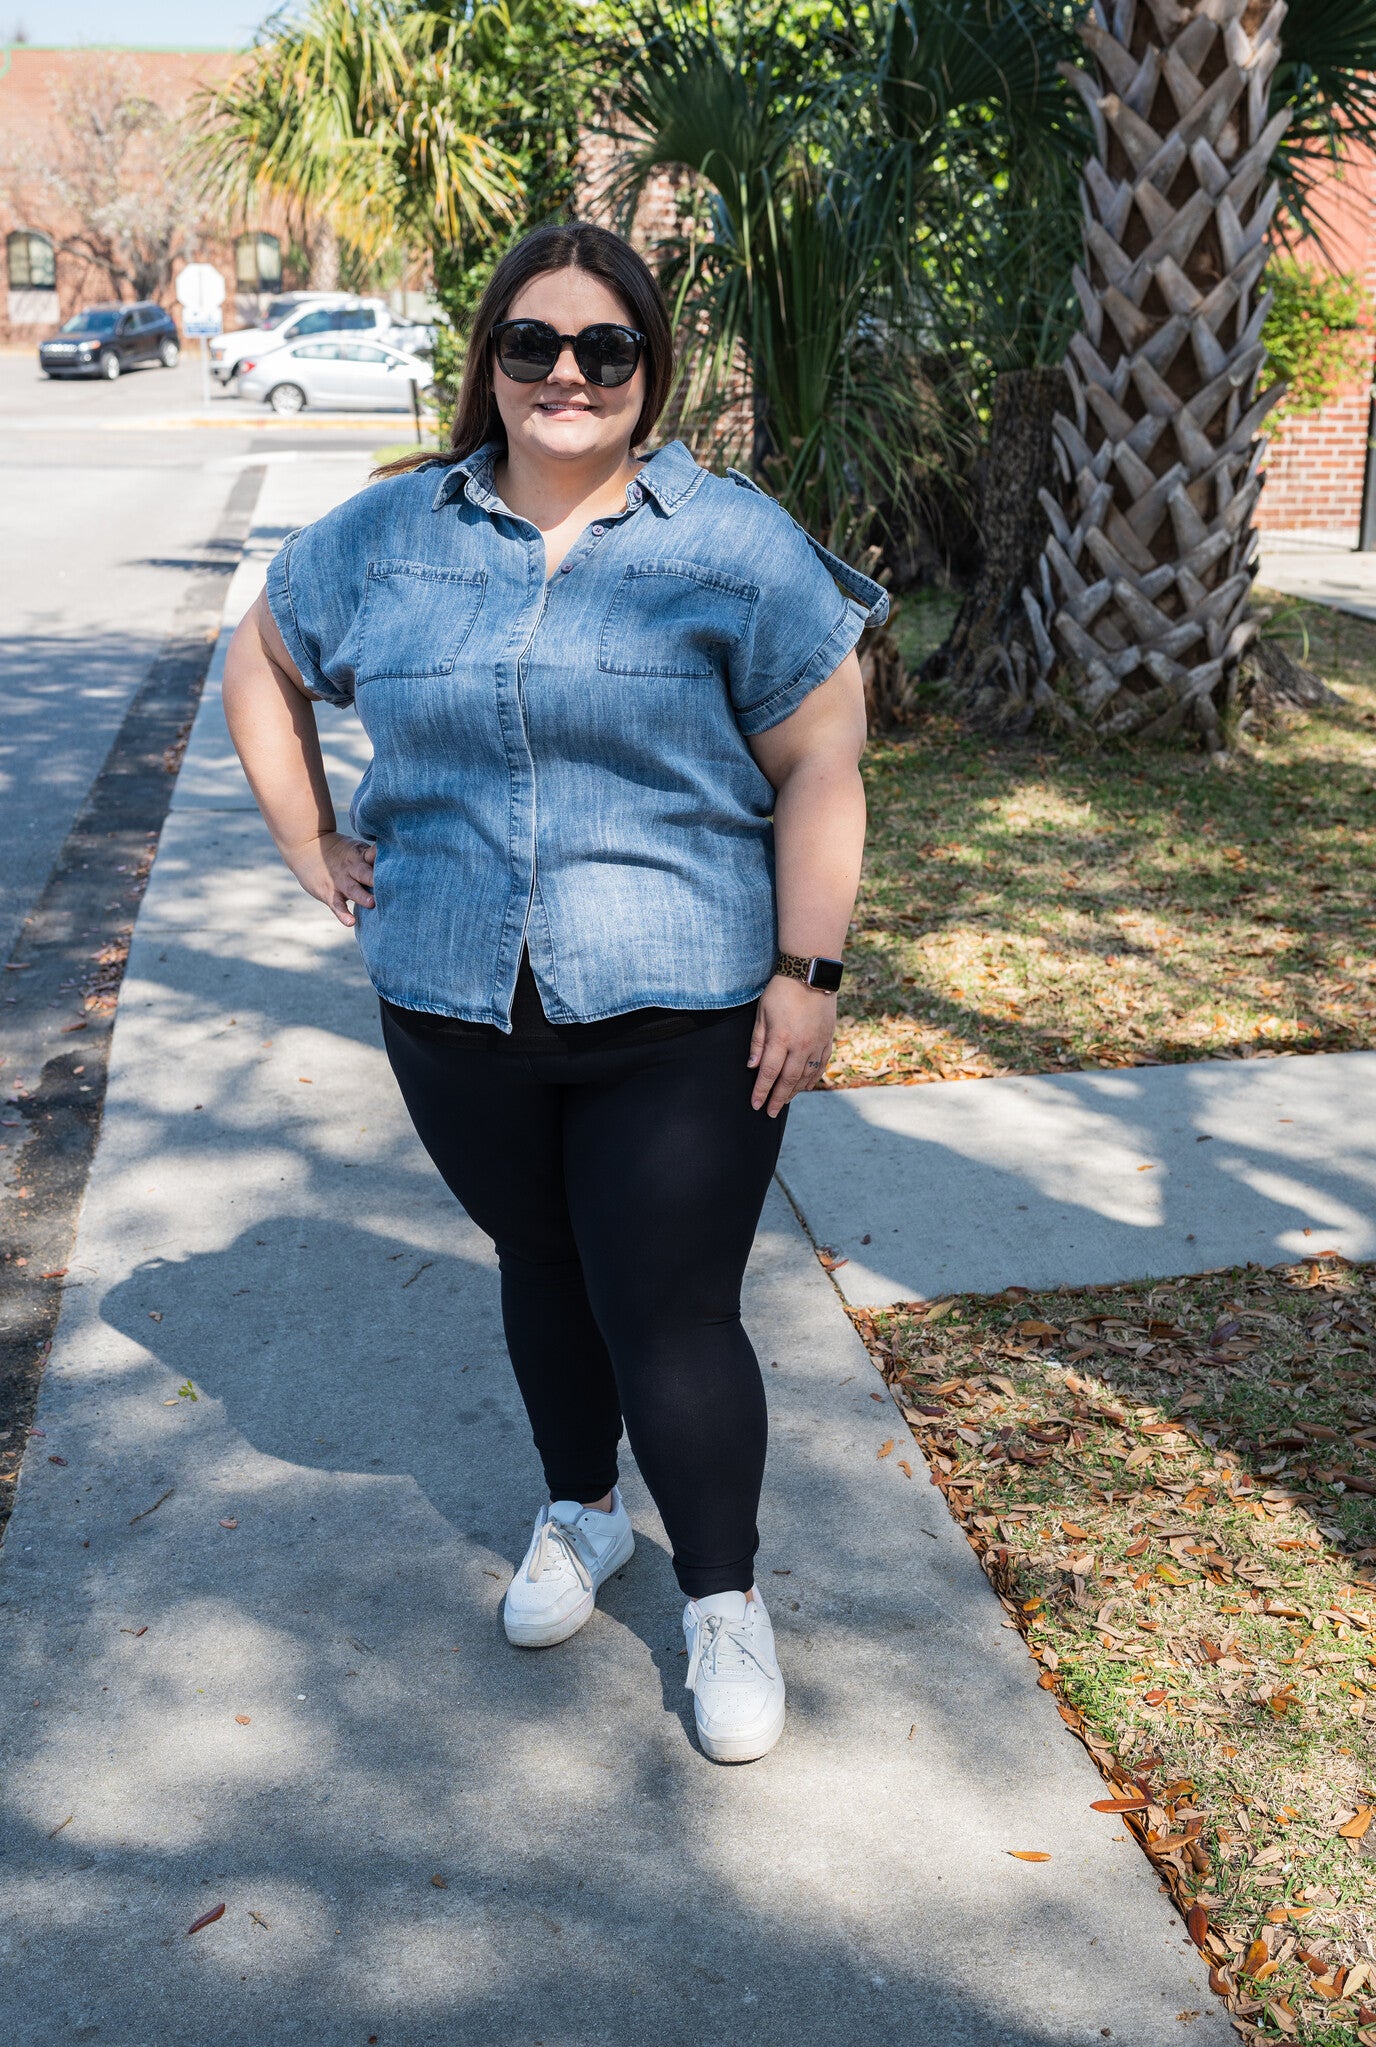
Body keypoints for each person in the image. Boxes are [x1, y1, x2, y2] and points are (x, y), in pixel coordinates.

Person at [222, 219, 885, 1765]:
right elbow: (262, 656)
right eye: (535, 345)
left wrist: (808, 971)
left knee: (669, 1305)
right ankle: (580, 1515)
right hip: (454, 1001)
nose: (567, 375)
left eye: (604, 348)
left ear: (648, 367)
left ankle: (722, 1598)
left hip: (686, 1007)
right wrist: (308, 834)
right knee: (540, 1258)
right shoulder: (390, 539)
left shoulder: (729, 543)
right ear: (491, 365)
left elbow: (822, 762)